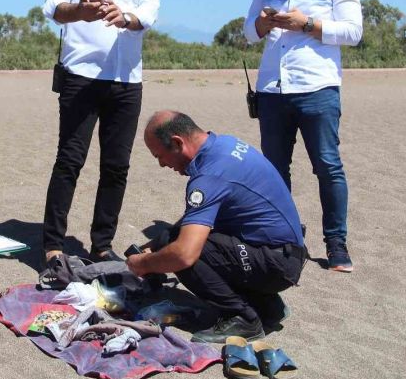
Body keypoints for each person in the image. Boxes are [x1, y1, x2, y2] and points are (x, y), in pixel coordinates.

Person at [41, 0, 160, 264]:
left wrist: (125, 17)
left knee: (116, 166)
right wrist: (79, 11)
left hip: (126, 82)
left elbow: (150, 13)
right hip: (81, 78)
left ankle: (102, 243)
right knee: (69, 161)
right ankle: (52, 245)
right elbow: (52, 6)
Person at [242, 0, 363, 272]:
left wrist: (307, 24)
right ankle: (284, 238)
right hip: (272, 90)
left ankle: (336, 244)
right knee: (274, 170)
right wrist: (264, 23)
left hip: (317, 88)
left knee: (327, 166)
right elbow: (249, 32)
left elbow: (354, 31)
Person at [127, 111, 305, 343]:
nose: (162, 164)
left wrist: (143, 263)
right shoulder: (225, 144)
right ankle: (267, 305)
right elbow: (201, 214)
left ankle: (243, 319)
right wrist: (156, 245)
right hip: (284, 253)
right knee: (168, 239)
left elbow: (183, 254)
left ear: (178, 143)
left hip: (276, 264)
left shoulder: (209, 177)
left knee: (179, 249)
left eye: (160, 156)